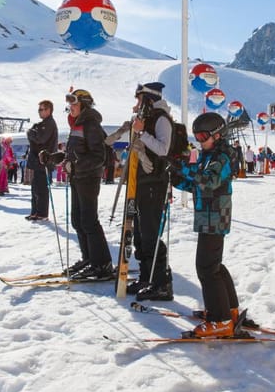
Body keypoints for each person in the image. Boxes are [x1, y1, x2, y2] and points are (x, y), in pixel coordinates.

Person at [169, 113, 243, 338]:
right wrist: (175, 178)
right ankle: (228, 310)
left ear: (218, 134)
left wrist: (182, 167)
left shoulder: (222, 156)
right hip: (207, 214)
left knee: (206, 267)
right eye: (197, 137)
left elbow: (209, 180)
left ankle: (220, 320)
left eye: (203, 136)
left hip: (215, 216)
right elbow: (197, 185)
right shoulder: (209, 154)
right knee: (214, 265)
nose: (200, 141)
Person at [53, 89, 113, 279]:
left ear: (84, 105)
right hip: (78, 177)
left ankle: (102, 264)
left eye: (74, 104)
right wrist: (57, 157)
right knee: (77, 219)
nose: (70, 108)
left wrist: (76, 164)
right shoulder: (78, 124)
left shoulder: (91, 124)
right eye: (69, 104)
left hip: (88, 177)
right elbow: (77, 152)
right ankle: (89, 258)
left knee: (88, 220)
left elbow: (98, 156)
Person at [126, 82, 174, 301]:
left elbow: (163, 149)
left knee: (150, 233)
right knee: (140, 234)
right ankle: (146, 277)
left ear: (148, 99)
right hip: (143, 182)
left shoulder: (162, 118)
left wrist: (142, 133)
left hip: (155, 183)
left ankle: (161, 282)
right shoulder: (146, 119)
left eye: (139, 99)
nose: (136, 104)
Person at [25, 99, 57, 221]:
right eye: (39, 109)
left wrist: (30, 132)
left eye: (42, 109)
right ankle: (35, 211)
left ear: (49, 110)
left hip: (44, 160)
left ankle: (42, 213)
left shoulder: (49, 124)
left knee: (41, 188)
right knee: (35, 187)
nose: (40, 112)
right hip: (39, 160)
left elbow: (40, 139)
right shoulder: (43, 123)